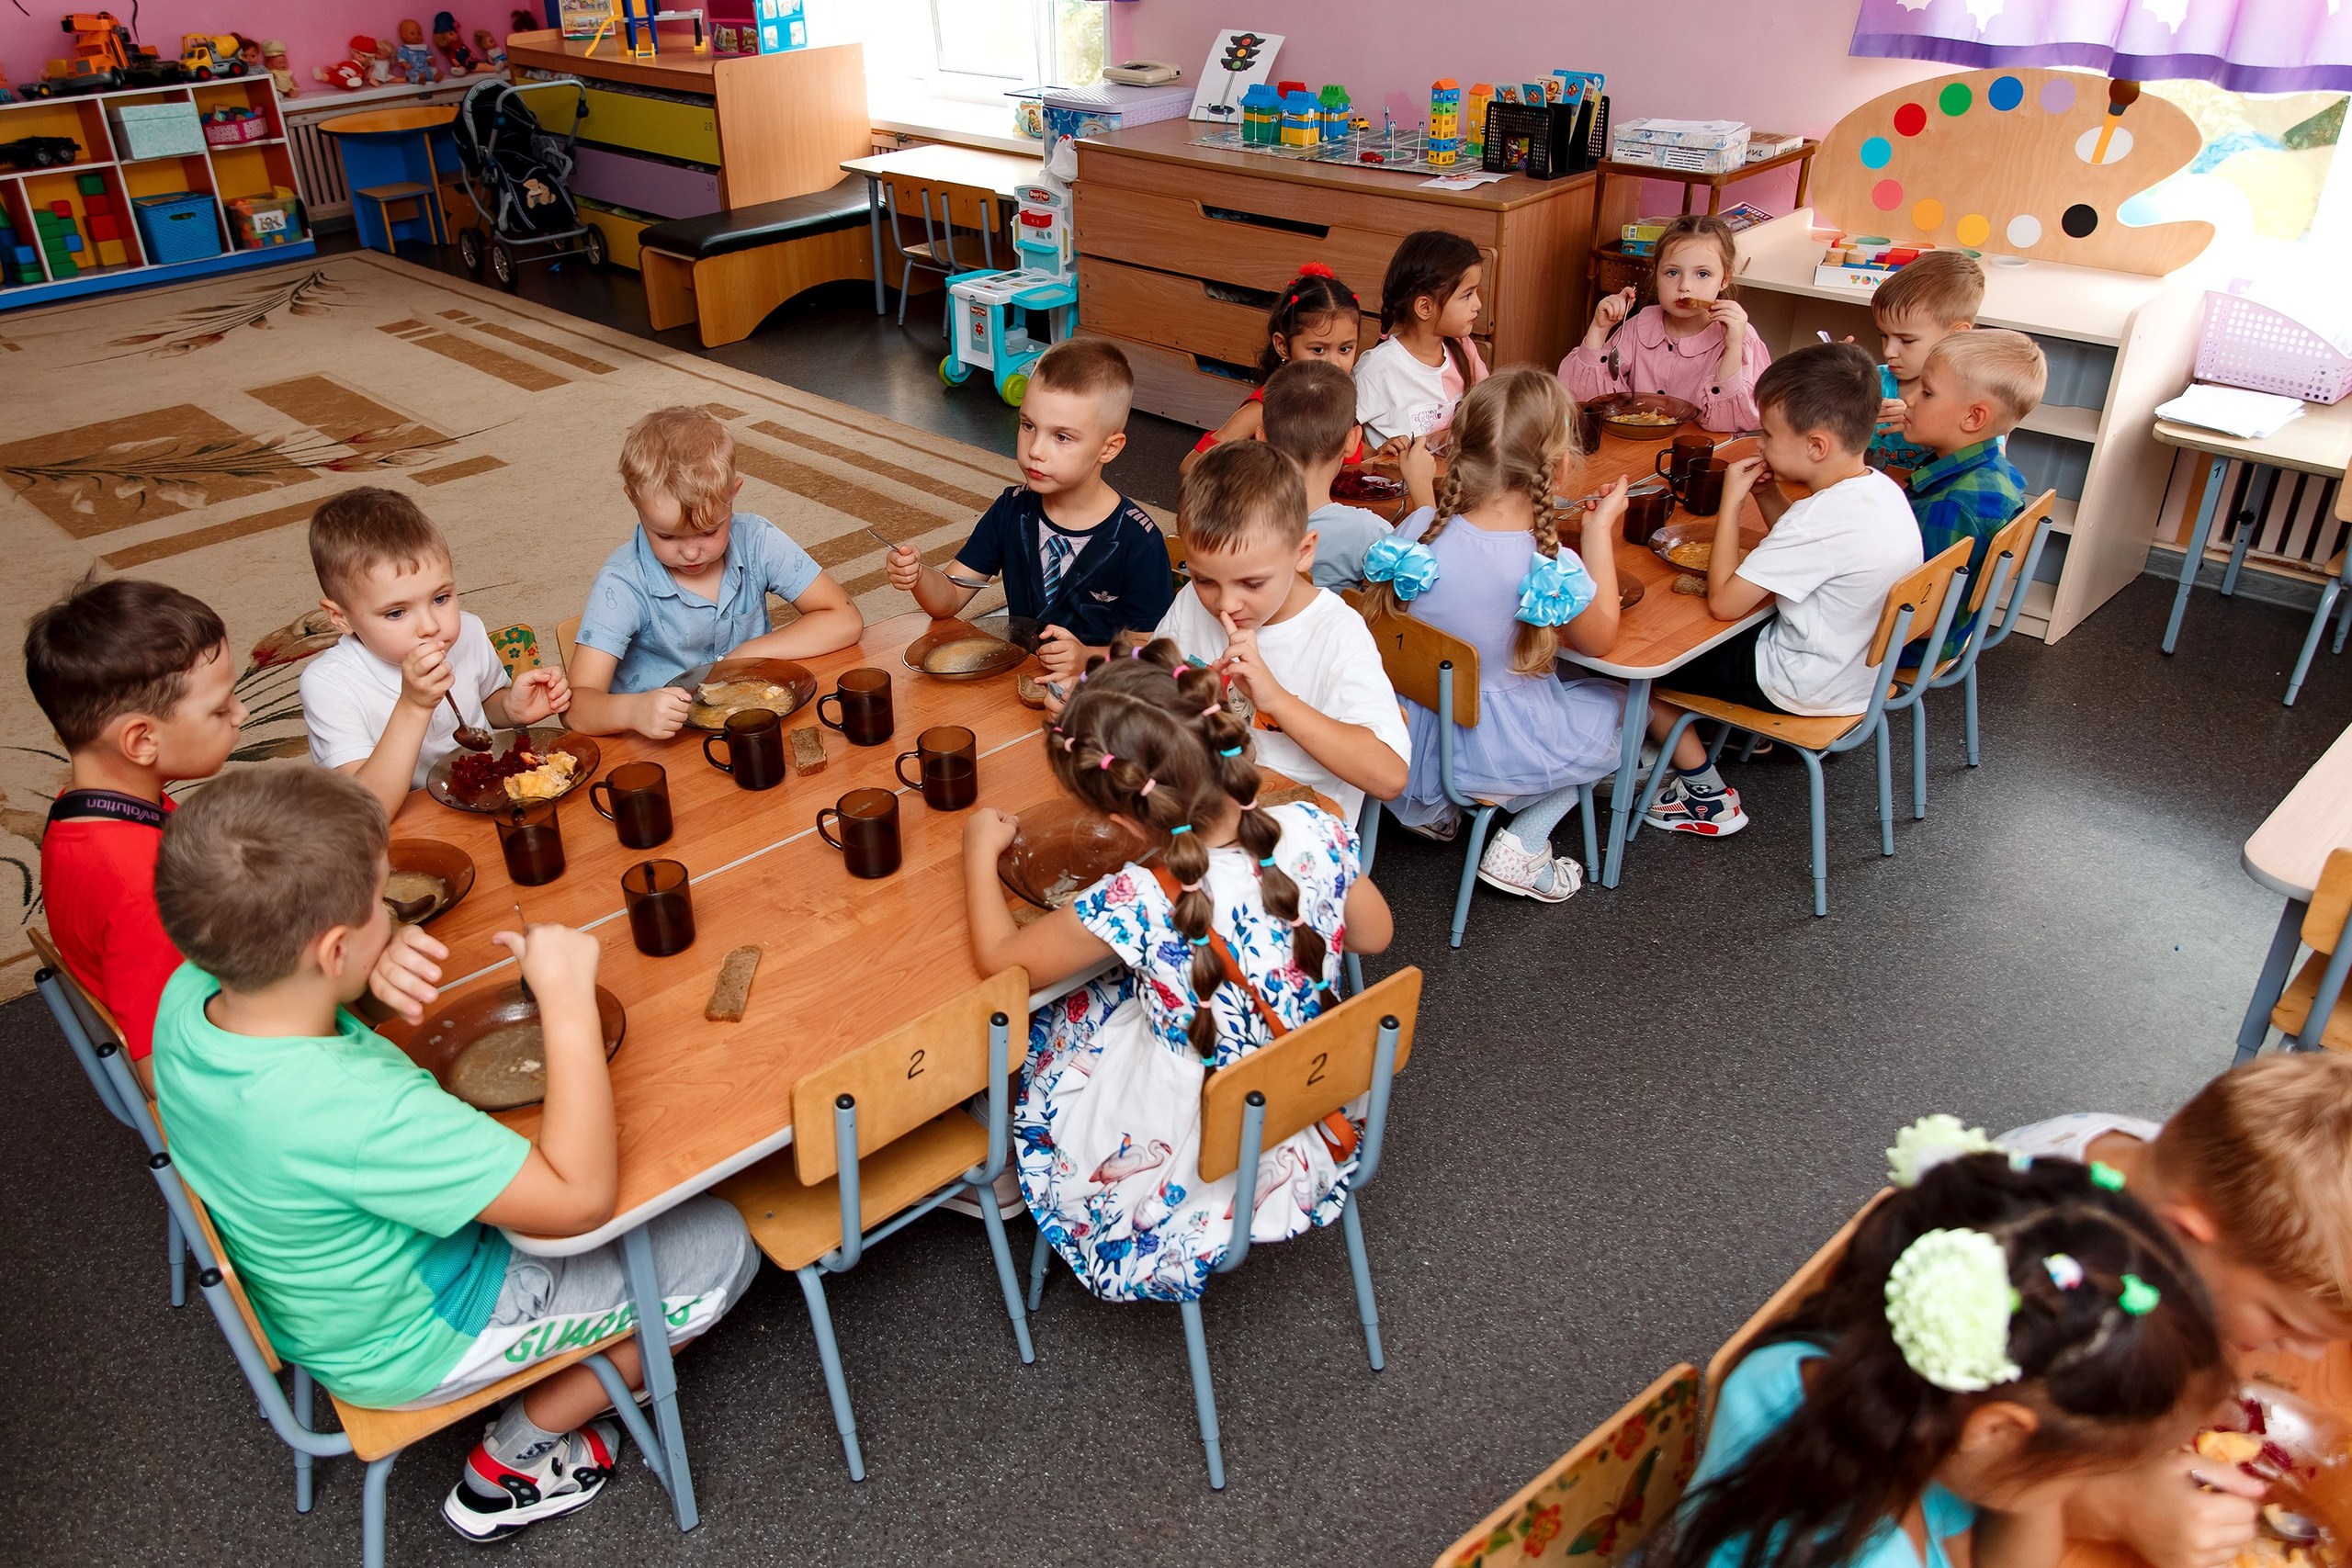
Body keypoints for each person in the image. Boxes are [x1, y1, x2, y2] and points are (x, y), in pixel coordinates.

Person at [150, 763, 756, 1543]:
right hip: (425, 1331)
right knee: (721, 1248)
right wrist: (567, 1002)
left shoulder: (188, 989)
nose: (394, 915)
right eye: (382, 904)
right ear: (332, 948)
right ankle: (517, 1456)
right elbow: (576, 1200)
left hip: (325, 1298)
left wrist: (365, 975)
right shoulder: (355, 1108)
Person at [957, 641, 1394, 1301]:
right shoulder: (1314, 825)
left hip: (1187, 1149)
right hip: (1311, 1092)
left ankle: (998, 1164)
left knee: (1053, 1018)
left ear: (1123, 822)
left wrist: (976, 851)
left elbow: (1000, 960)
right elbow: (1376, 933)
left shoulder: (1135, 896)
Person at [1647, 1144, 2229, 1568]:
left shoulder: (1835, 1376)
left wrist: (2036, 1479)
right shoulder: (1881, 1524)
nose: (2085, 1488)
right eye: (2088, 1472)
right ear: (1998, 1430)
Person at [1999, 1056, 2352, 1568]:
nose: (2312, 1351)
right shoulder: (2032, 1279)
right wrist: (2116, 1507)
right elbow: (1952, 1458)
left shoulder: (2194, 1182)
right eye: (2284, 1322)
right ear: (2185, 1233)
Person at [1363, 368, 1672, 894]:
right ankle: (1525, 842)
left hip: (1412, 732)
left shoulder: (1417, 530)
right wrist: (1599, 534)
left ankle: (1436, 808)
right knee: (1622, 705)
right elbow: (1600, 643)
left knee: (1558, 691)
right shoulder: (1548, 563)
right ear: (1561, 467)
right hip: (1499, 740)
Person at [1644, 344, 1923, 836]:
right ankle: (1700, 739)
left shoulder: (1819, 518)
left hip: (1800, 684)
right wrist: (1767, 493)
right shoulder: (1878, 488)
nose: (1759, 444)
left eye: (1769, 435)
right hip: (1857, 675)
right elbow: (1800, 549)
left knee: (1643, 670)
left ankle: (1705, 796)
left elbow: (1725, 602)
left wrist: (1730, 506)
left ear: (1816, 446)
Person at [28, 577, 243, 1088]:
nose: (243, 713)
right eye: (220, 708)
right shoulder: (144, 892)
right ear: (142, 740)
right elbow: (162, 1073)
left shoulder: (88, 808)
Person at [1148, 440, 1409, 825]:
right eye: (1204, 579)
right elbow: (1152, 691)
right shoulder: (1193, 599)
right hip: (1203, 800)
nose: (1226, 604)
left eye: (1252, 584)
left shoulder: (1334, 632)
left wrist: (1277, 701)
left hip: (1298, 830)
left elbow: (1389, 778)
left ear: (1303, 552)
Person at [888, 338, 1174, 687]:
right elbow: (948, 599)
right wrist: (918, 576)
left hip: (1102, 696)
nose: (1035, 450)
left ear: (1109, 448)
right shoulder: (1011, 508)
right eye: (1028, 426)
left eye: (1062, 437)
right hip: (1019, 680)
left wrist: (1088, 657)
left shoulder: (1139, 541)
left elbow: (1154, 654)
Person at [567, 406, 863, 739]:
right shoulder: (622, 583)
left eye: (709, 531)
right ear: (634, 501)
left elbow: (845, 619)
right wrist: (634, 711)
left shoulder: (756, 539)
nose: (691, 552)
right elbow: (577, 707)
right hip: (662, 741)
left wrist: (745, 656)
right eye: (667, 536)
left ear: (732, 494)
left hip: (747, 722)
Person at [301, 489, 573, 818]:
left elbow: (485, 702)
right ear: (340, 617)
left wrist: (510, 708)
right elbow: (366, 812)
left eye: (441, 598)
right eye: (396, 613)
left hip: (483, 800)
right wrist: (413, 705)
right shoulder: (330, 685)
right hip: (404, 825)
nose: (430, 626)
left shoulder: (468, 630)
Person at [1902, 330, 2044, 661]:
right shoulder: (1999, 472)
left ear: (1973, 417)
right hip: (1953, 635)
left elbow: (1915, 619)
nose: (1909, 398)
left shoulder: (1951, 507)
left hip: (1904, 647)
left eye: (1926, 392)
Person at [1560, 213, 1770, 434]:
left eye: (1702, 274)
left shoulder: (1741, 338)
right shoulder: (1638, 327)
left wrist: (1733, 347)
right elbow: (1585, 401)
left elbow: (1732, 421)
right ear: (1656, 274)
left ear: (1725, 279)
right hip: (1635, 449)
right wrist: (1599, 329)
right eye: (1672, 272)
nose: (1685, 286)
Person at [1259, 357, 1431, 590]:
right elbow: (1427, 577)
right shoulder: (1368, 532)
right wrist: (1424, 498)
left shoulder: (1229, 514)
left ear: (1261, 438)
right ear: (1353, 441)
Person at [1182, 262, 1370, 474]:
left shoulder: (1339, 398)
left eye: (1345, 349)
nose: (1334, 363)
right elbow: (1192, 465)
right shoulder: (1265, 408)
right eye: (1318, 350)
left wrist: (1377, 453)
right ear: (1282, 346)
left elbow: (1351, 450)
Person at [1353, 229, 1488, 449]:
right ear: (1425, 307)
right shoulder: (1378, 368)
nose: (1478, 305)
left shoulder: (1464, 349)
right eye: (1467, 295)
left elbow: (1489, 406)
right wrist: (1375, 452)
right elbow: (1336, 436)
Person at [1868, 249, 1986, 476]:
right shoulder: (1871, 381)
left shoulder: (1974, 398)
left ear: (1955, 336)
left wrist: (1920, 419)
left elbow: (1984, 468)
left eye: (1906, 340)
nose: (1889, 351)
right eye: (1884, 335)